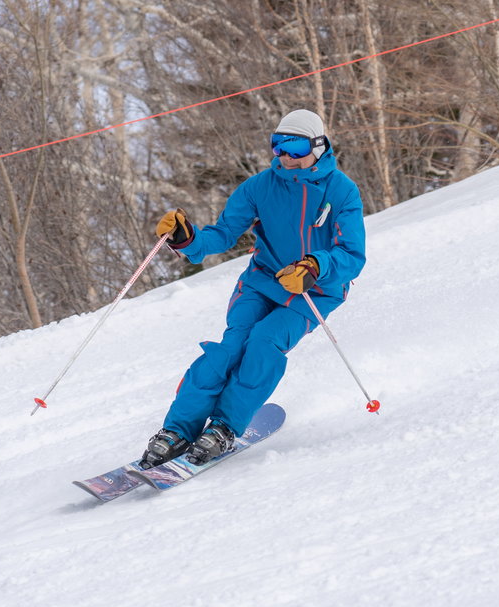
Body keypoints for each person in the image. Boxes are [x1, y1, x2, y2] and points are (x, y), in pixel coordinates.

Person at [141, 109, 366, 467]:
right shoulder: (260, 186)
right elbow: (223, 234)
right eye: (278, 146)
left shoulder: (341, 191)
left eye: (296, 147)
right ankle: (177, 431)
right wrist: (188, 239)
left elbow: (352, 255)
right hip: (263, 281)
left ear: (319, 146)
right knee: (229, 349)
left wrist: (315, 266)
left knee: (264, 342)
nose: (285, 157)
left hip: (314, 290)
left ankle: (224, 428)